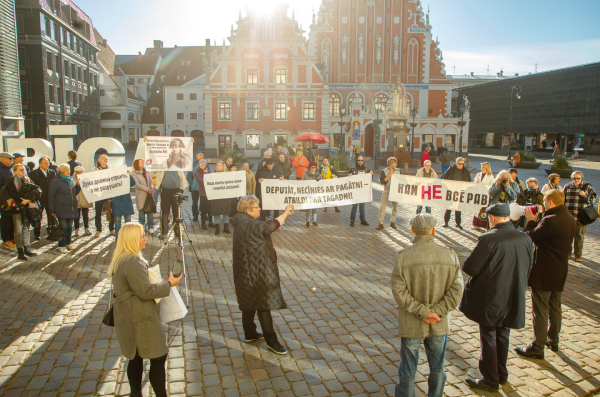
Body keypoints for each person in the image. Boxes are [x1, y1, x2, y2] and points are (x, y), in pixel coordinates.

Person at [460, 203, 533, 392]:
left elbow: (470, 268)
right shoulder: (525, 238)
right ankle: (501, 373)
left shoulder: (488, 238)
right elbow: (528, 264)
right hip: (513, 293)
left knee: (489, 335)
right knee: (503, 334)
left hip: (492, 296)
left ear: (492, 218)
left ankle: (490, 378)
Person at [392, 213, 464, 397]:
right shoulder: (450, 255)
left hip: (412, 321)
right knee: (438, 369)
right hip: (439, 321)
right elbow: (457, 290)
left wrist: (423, 312)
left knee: (408, 371)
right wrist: (436, 311)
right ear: (433, 230)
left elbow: (399, 292)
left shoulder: (403, 257)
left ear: (412, 230)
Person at [109, 222, 182, 397]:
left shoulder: (122, 258)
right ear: (133, 239)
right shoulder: (132, 261)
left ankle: (135, 393)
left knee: (135, 357)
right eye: (142, 236)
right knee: (158, 356)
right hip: (139, 318)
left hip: (129, 315)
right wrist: (169, 284)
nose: (145, 239)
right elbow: (144, 291)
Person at [514, 190, 576, 360]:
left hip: (544, 271)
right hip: (560, 270)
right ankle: (553, 340)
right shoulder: (570, 218)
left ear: (550, 202)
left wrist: (531, 222)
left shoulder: (549, 220)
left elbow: (528, 238)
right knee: (555, 307)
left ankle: (537, 347)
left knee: (540, 310)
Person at [232, 196, 294, 354]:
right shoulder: (251, 223)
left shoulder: (239, 221)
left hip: (244, 269)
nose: (260, 209)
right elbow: (269, 227)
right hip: (256, 269)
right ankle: (272, 341)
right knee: (263, 304)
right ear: (248, 210)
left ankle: (250, 333)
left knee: (249, 301)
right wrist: (286, 213)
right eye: (257, 207)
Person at [7, 164, 39, 260]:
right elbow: (14, 194)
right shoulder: (11, 181)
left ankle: (27, 249)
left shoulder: (28, 179)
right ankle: (20, 252)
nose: (23, 171)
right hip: (16, 207)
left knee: (26, 229)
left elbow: (36, 190)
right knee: (18, 230)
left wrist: (28, 201)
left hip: (27, 208)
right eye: (20, 170)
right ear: (15, 171)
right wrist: (24, 201)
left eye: (24, 170)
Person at [563, 171, 597, 262]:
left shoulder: (587, 186)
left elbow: (595, 199)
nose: (575, 180)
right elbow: (563, 199)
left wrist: (585, 195)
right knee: (567, 236)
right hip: (569, 216)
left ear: (581, 178)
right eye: (574, 178)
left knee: (579, 236)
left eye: (577, 178)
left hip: (581, 216)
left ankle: (578, 255)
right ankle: (568, 253)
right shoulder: (567, 186)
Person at [48, 163, 80, 254]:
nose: (68, 171)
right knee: (63, 227)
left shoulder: (70, 180)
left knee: (70, 226)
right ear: (61, 171)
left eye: (69, 169)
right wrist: (52, 210)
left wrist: (78, 185)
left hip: (71, 208)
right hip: (61, 208)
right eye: (66, 170)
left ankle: (68, 243)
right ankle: (61, 245)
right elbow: (51, 196)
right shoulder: (56, 181)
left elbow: (74, 193)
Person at [154, 169, 188, 240]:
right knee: (165, 212)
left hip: (176, 190)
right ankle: (164, 233)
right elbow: (152, 173)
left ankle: (177, 232)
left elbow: (181, 176)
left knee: (177, 212)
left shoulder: (176, 165)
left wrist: (182, 187)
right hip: (165, 190)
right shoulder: (162, 165)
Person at [29, 155, 57, 240]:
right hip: (39, 199)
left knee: (51, 215)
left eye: (48, 163)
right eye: (45, 163)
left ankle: (51, 230)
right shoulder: (34, 173)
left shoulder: (51, 172)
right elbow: (31, 186)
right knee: (38, 217)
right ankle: (37, 233)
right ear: (40, 163)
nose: (47, 165)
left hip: (49, 198)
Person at [441, 157, 471, 229]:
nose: (461, 165)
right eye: (459, 164)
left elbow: (469, 180)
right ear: (456, 163)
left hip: (460, 192)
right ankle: (446, 222)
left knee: (458, 208)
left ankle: (458, 223)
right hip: (451, 191)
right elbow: (444, 177)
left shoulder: (466, 171)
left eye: (462, 164)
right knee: (448, 207)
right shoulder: (451, 169)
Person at [93, 155, 115, 237]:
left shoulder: (111, 170)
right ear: (99, 161)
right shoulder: (95, 171)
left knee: (111, 211)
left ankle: (112, 229)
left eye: (106, 159)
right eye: (103, 159)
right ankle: (98, 230)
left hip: (109, 194)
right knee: (98, 212)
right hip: (99, 195)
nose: (105, 160)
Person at [132, 159, 155, 235]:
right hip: (141, 195)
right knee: (141, 211)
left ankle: (150, 227)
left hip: (149, 194)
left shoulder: (147, 171)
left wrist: (151, 187)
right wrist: (147, 189)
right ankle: (141, 227)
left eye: (143, 162)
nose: (143, 163)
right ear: (137, 165)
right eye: (141, 162)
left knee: (150, 211)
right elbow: (137, 184)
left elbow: (151, 181)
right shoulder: (134, 173)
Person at [110, 171, 136, 239]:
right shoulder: (112, 181)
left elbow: (133, 183)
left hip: (126, 201)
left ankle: (128, 236)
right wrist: (111, 199)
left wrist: (129, 175)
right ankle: (118, 236)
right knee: (117, 221)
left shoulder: (126, 179)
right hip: (116, 202)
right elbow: (108, 189)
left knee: (128, 221)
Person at [348, 156, 372, 226]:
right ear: (357, 161)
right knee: (354, 205)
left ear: (363, 161)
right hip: (355, 190)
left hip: (363, 190)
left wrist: (371, 175)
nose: (360, 161)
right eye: (359, 160)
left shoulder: (366, 169)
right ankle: (352, 220)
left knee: (362, 205)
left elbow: (370, 179)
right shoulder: (353, 169)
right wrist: (349, 175)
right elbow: (348, 177)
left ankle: (363, 220)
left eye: (361, 160)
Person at [376, 157, 399, 230]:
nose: (396, 164)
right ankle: (380, 223)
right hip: (387, 191)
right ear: (390, 164)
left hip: (395, 192)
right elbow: (382, 182)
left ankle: (392, 222)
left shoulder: (398, 171)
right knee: (382, 207)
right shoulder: (384, 171)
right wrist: (389, 175)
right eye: (395, 163)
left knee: (395, 208)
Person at [210, 161, 231, 235]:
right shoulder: (213, 174)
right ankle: (217, 228)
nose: (218, 166)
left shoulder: (228, 174)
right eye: (217, 165)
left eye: (220, 165)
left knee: (226, 212)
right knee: (216, 212)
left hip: (225, 196)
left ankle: (226, 227)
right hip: (216, 196)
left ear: (223, 166)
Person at [472, 162, 494, 230]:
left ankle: (484, 225)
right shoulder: (478, 174)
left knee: (483, 209)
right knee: (476, 209)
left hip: (485, 195)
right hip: (478, 194)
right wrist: (476, 182)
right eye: (481, 167)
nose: (481, 169)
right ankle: (476, 224)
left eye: (483, 167)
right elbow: (475, 182)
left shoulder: (490, 176)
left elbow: (492, 185)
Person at [0, 152, 15, 247]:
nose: (12, 160)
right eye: (10, 159)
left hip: (11, 199)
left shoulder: (9, 169)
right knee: (5, 220)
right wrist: (2, 201)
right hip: (4, 200)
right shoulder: (1, 170)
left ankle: (11, 237)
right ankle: (5, 239)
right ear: (3, 159)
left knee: (11, 219)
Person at [72, 166, 92, 236]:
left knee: (85, 215)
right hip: (76, 199)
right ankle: (76, 229)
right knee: (76, 215)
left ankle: (86, 228)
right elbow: (74, 191)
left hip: (84, 198)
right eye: (78, 172)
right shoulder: (72, 179)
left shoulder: (86, 178)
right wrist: (77, 184)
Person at [194, 159, 212, 230]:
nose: (202, 165)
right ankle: (203, 223)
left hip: (209, 192)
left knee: (210, 208)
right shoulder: (197, 171)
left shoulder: (208, 170)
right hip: (203, 193)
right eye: (201, 163)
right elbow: (201, 181)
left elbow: (212, 179)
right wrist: (205, 174)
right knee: (203, 209)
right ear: (199, 165)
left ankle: (210, 222)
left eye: (204, 163)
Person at [301, 162, 321, 227]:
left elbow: (322, 183)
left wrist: (320, 181)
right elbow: (302, 182)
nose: (313, 169)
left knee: (314, 207)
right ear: (309, 168)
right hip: (308, 194)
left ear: (316, 168)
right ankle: (307, 221)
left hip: (315, 193)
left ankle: (314, 220)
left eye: (314, 167)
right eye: (312, 167)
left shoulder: (318, 175)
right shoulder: (305, 174)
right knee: (308, 208)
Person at [187, 150, 205, 222]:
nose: (201, 156)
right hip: (194, 188)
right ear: (196, 155)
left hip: (203, 188)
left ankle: (204, 215)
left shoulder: (206, 164)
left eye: (202, 155)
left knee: (203, 202)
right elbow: (188, 176)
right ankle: (195, 216)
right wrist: (192, 184)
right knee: (195, 202)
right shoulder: (192, 164)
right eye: (200, 155)